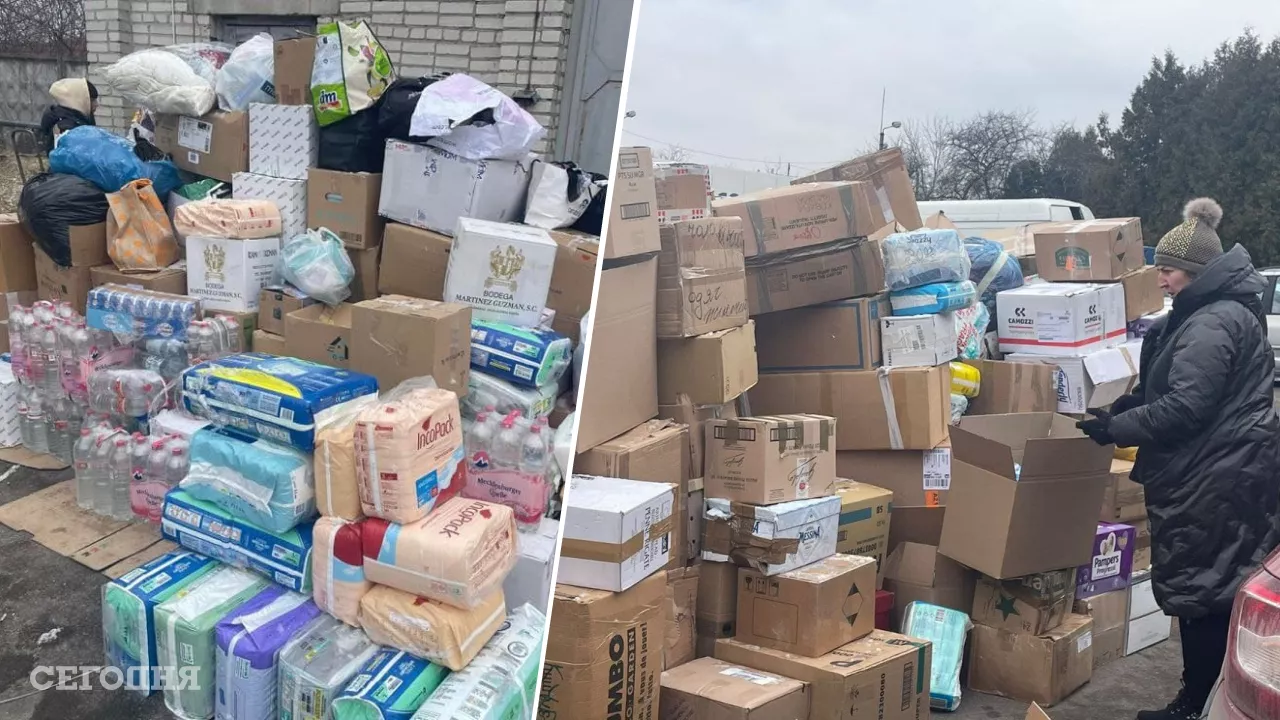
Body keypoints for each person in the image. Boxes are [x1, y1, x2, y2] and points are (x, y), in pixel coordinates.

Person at [1076, 198, 1280, 720]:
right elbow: (1182, 388)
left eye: (1167, 269)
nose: (1160, 278)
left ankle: (1198, 704)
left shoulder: (1214, 321)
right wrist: (1131, 404)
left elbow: (1189, 406)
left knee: (1205, 591)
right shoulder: (1209, 313)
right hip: (1218, 469)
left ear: (1195, 272)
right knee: (1208, 585)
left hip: (1214, 476)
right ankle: (1202, 697)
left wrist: (1116, 429)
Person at [39, 78, 98, 152]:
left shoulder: (80, 118)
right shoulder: (65, 127)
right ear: (78, 100)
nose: (96, 104)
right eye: (92, 100)